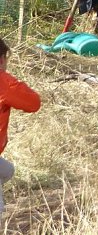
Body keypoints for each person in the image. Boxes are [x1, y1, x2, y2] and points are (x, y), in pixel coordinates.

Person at [0, 38, 40, 215]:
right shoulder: (3, 82)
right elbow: (33, 103)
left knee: (7, 170)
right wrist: (10, 80)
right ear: (2, 60)